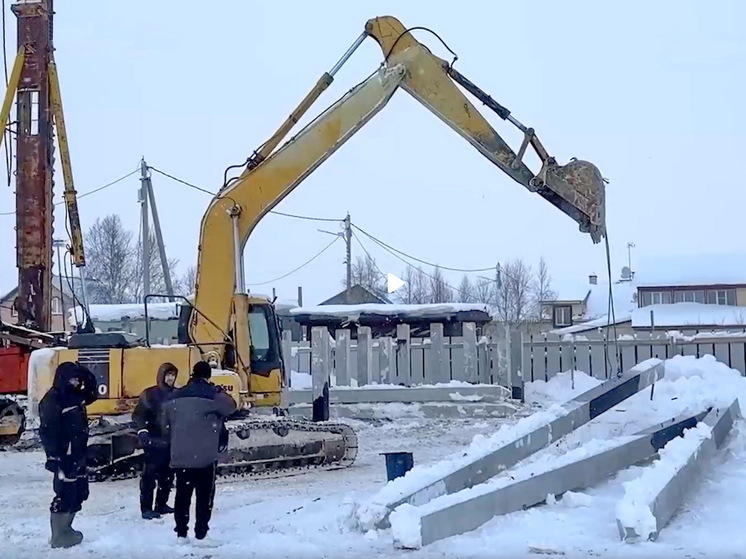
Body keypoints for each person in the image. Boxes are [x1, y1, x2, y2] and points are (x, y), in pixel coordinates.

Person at [160, 360, 236, 543]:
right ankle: (201, 534)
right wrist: (219, 391)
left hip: (181, 455)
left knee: (182, 495)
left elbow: (164, 426)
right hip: (205, 457)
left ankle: (181, 533)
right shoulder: (212, 395)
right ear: (208, 375)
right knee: (204, 497)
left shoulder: (175, 396)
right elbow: (231, 407)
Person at [38, 361, 98, 549]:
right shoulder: (52, 400)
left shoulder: (75, 396)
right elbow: (47, 431)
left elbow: (93, 393)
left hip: (78, 453)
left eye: (77, 379)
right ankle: (58, 535)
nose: (76, 382)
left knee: (80, 492)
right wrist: (53, 457)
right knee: (65, 492)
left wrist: (85, 373)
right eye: (73, 378)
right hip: (64, 455)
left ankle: (67, 529)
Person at [132, 362, 179, 519]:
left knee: (167, 477)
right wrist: (143, 432)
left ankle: (161, 504)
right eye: (168, 375)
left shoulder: (178, 394)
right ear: (161, 376)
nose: (171, 378)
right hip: (153, 441)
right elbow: (139, 415)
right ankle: (146, 508)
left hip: (171, 442)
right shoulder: (150, 394)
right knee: (149, 477)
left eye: (173, 375)